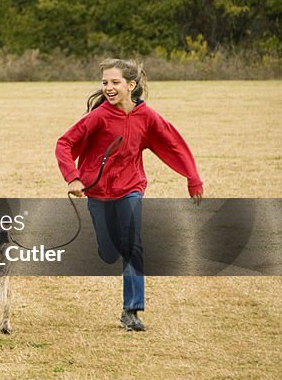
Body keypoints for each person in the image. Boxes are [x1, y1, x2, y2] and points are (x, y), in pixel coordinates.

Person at [55, 58, 203, 332]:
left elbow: (174, 142)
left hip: (130, 190)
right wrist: (73, 177)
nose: (108, 88)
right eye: (104, 83)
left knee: (133, 245)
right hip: (98, 192)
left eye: (115, 82)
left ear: (131, 85)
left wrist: (192, 177)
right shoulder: (99, 116)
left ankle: (131, 310)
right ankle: (110, 252)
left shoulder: (147, 117)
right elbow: (64, 143)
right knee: (110, 253)